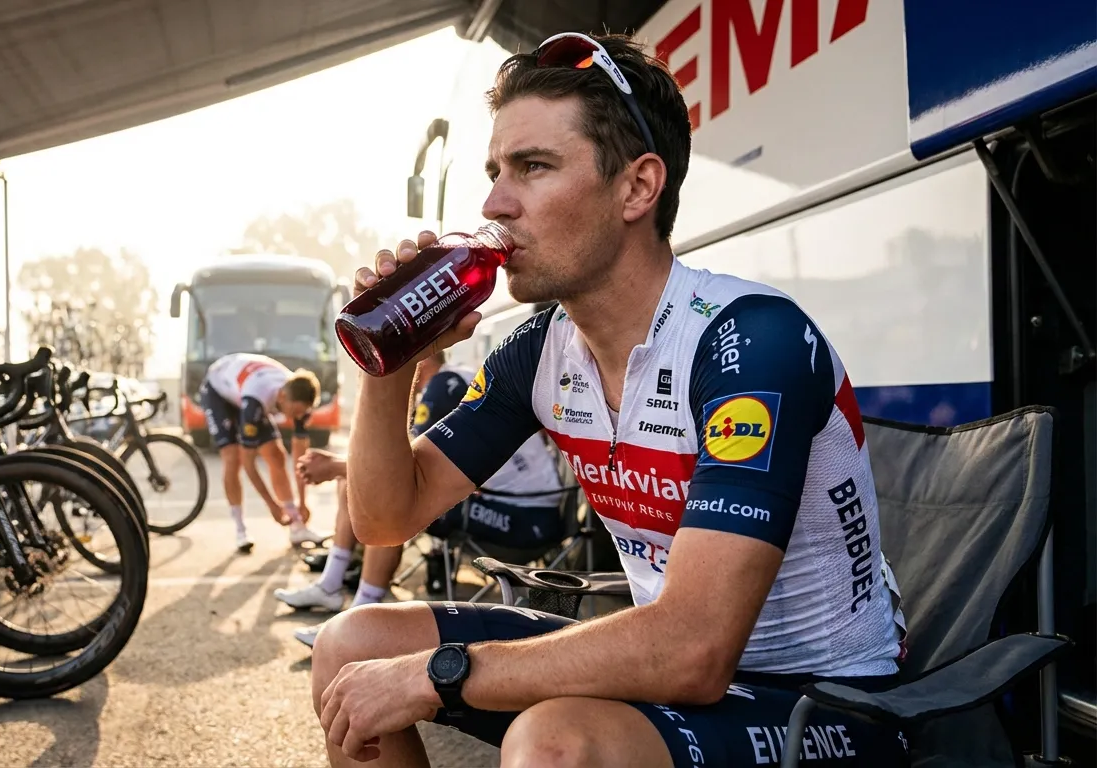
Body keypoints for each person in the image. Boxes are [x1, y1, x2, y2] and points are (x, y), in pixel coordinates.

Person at [311, 31, 909, 767]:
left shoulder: (752, 339)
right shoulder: (543, 348)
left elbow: (693, 649)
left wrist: (440, 674)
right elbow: (383, 515)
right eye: (497, 170)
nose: (495, 202)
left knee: (555, 742)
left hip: (824, 701)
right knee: (351, 646)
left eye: (533, 168)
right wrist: (389, 362)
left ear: (637, 188)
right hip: (674, 672)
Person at [277, 349, 564, 649]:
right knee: (361, 484)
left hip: (528, 520)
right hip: (525, 508)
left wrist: (333, 465)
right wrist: (341, 467)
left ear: (418, 360)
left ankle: (361, 623)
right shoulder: (456, 377)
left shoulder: (443, 386)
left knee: (393, 499)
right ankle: (331, 585)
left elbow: (399, 471)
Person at [199, 352, 329, 552]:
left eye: (301, 413)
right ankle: (240, 530)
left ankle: (297, 526)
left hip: (246, 385)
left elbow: (300, 458)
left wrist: (303, 503)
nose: (297, 417)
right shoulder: (256, 400)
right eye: (294, 413)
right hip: (219, 389)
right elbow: (249, 464)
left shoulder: (299, 397)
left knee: (276, 455)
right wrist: (272, 506)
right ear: (283, 397)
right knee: (233, 458)